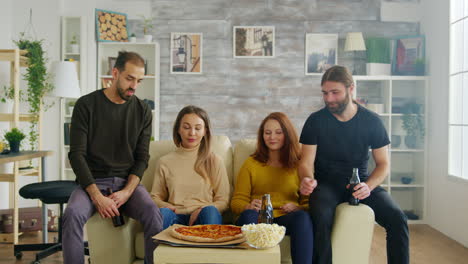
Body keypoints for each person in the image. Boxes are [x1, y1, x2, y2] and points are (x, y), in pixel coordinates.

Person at [299, 65, 409, 264]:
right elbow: (305, 162)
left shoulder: (372, 121)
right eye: (325, 93)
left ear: (351, 89)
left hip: (361, 183)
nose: (329, 99)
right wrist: (308, 179)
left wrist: (369, 186)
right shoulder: (315, 121)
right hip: (326, 185)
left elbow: (383, 164)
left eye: (335, 92)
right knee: (320, 218)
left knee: (398, 219)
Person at [63, 51, 163, 264]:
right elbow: (76, 155)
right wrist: (97, 196)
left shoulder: (143, 111)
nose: (134, 86)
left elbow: (142, 158)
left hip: (127, 185)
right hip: (91, 183)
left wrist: (127, 192)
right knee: (72, 214)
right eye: (129, 78)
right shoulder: (86, 105)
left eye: (139, 80)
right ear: (115, 73)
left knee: (153, 214)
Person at [231, 112, 313, 264]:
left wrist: (298, 208)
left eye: (278, 132)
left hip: (285, 217)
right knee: (248, 216)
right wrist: (248, 206)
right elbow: (236, 201)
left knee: (303, 218)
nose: (272, 137)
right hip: (256, 217)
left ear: (287, 134)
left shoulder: (298, 164)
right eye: (267, 133)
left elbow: (309, 201)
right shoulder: (251, 163)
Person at [151, 105, 230, 229]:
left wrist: (202, 209)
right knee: (163, 214)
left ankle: (208, 246)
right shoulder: (164, 162)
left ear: (205, 131)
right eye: (186, 127)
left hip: (203, 216)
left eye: (198, 128)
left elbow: (223, 200)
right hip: (176, 216)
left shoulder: (214, 160)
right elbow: (155, 196)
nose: (192, 133)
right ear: (178, 129)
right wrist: (166, 206)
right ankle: (161, 248)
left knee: (210, 211)